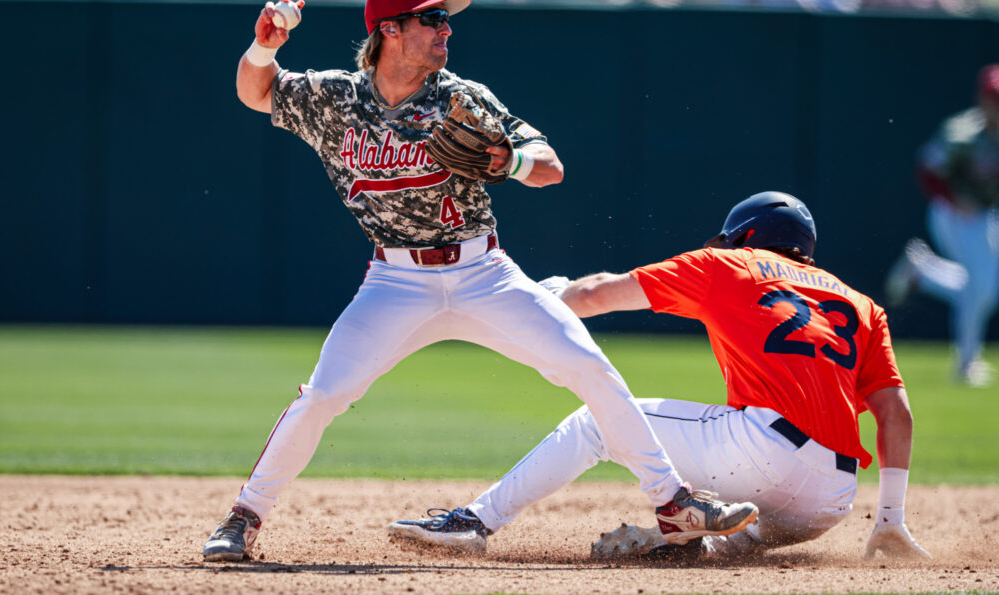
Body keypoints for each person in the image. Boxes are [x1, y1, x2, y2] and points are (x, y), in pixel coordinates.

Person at [201, 0, 757, 561]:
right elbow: (256, 92)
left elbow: (550, 165)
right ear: (389, 30)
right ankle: (245, 516)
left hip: (482, 273)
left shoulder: (462, 98)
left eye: (446, 18)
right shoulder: (335, 98)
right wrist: (264, 45)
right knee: (324, 393)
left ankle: (675, 503)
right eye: (431, 18)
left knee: (589, 366)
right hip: (395, 280)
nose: (445, 29)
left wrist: (511, 158)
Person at [390, 192, 930, 562]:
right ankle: (692, 544)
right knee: (736, 517)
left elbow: (599, 292)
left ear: (744, 236)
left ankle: (474, 523)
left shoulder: (729, 265)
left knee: (600, 419)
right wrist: (889, 517)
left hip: (761, 454)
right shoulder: (861, 305)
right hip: (830, 500)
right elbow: (896, 414)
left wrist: (537, 298)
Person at [885, 65, 999, 388]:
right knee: (982, 289)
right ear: (983, 98)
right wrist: (953, 197)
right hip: (954, 213)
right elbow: (928, 168)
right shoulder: (963, 132)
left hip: (986, 214)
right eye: (994, 99)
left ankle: (922, 271)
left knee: (984, 290)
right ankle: (966, 364)